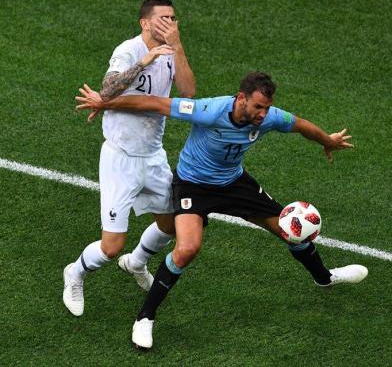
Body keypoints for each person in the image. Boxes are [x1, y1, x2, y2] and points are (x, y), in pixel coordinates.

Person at [75, 72, 368, 349]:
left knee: (288, 229)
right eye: (258, 107)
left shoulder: (268, 117)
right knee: (187, 248)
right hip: (193, 186)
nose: (263, 114)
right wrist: (105, 102)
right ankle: (145, 317)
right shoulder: (208, 110)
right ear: (241, 98)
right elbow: (154, 103)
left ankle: (324, 277)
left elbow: (300, 124)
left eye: (267, 108)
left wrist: (327, 141)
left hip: (234, 183)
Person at [63, 0, 196, 317]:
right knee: (111, 246)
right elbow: (106, 93)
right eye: (163, 19)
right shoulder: (128, 50)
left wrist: (176, 48)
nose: (170, 24)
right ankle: (75, 273)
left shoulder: (170, 52)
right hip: (120, 159)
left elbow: (189, 92)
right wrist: (145, 61)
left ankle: (136, 263)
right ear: (145, 22)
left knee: (169, 224)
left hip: (153, 156)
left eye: (173, 19)